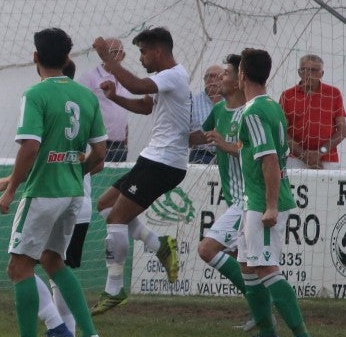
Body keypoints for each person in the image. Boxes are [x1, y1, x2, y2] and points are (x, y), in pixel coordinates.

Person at [0, 28, 107, 337]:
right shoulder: (86, 97)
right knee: (53, 261)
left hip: (43, 192)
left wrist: (12, 188)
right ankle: (90, 335)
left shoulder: (36, 94)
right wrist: (73, 171)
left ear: (35, 57)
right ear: (67, 59)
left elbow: (30, 145)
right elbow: (100, 153)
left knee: (18, 267)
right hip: (73, 194)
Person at [89, 27, 189, 315]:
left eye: (143, 52)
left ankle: (114, 289)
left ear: (158, 51)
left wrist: (106, 58)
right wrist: (115, 98)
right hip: (154, 159)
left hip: (164, 163)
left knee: (117, 218)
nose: (142, 58)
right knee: (105, 205)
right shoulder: (164, 79)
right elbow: (145, 106)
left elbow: (135, 85)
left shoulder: (173, 75)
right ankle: (159, 244)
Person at [231, 48, 320, 337]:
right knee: (247, 264)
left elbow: (269, 159)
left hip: (262, 202)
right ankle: (268, 336)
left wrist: (270, 205)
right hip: (253, 200)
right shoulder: (272, 105)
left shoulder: (253, 111)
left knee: (267, 265)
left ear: (242, 74)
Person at [188, 55, 250, 301]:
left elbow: (257, 153)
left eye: (225, 74)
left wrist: (225, 144)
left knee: (207, 249)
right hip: (236, 200)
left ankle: (262, 304)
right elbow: (201, 137)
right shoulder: (217, 110)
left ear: (238, 81)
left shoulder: (251, 112)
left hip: (250, 200)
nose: (219, 79)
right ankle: (261, 314)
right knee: (243, 262)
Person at [279, 53, 346, 170]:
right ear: (299, 72)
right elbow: (281, 130)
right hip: (296, 160)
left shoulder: (334, 93)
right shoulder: (288, 95)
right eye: (304, 70)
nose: (308, 74)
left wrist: (321, 152)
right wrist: (303, 155)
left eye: (313, 70)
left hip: (328, 160)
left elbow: (342, 129)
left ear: (322, 73)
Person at [78, 38, 133, 162]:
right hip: (98, 143)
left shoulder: (126, 78)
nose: (113, 55)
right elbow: (79, 106)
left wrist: (125, 141)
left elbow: (122, 112)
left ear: (123, 55)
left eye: (117, 51)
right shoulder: (90, 77)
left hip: (120, 144)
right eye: (109, 51)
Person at [188, 64, 225, 164]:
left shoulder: (231, 101)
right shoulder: (193, 102)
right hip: (200, 154)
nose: (211, 80)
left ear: (224, 79)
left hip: (226, 153)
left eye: (216, 76)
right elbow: (183, 133)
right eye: (208, 76)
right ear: (204, 80)